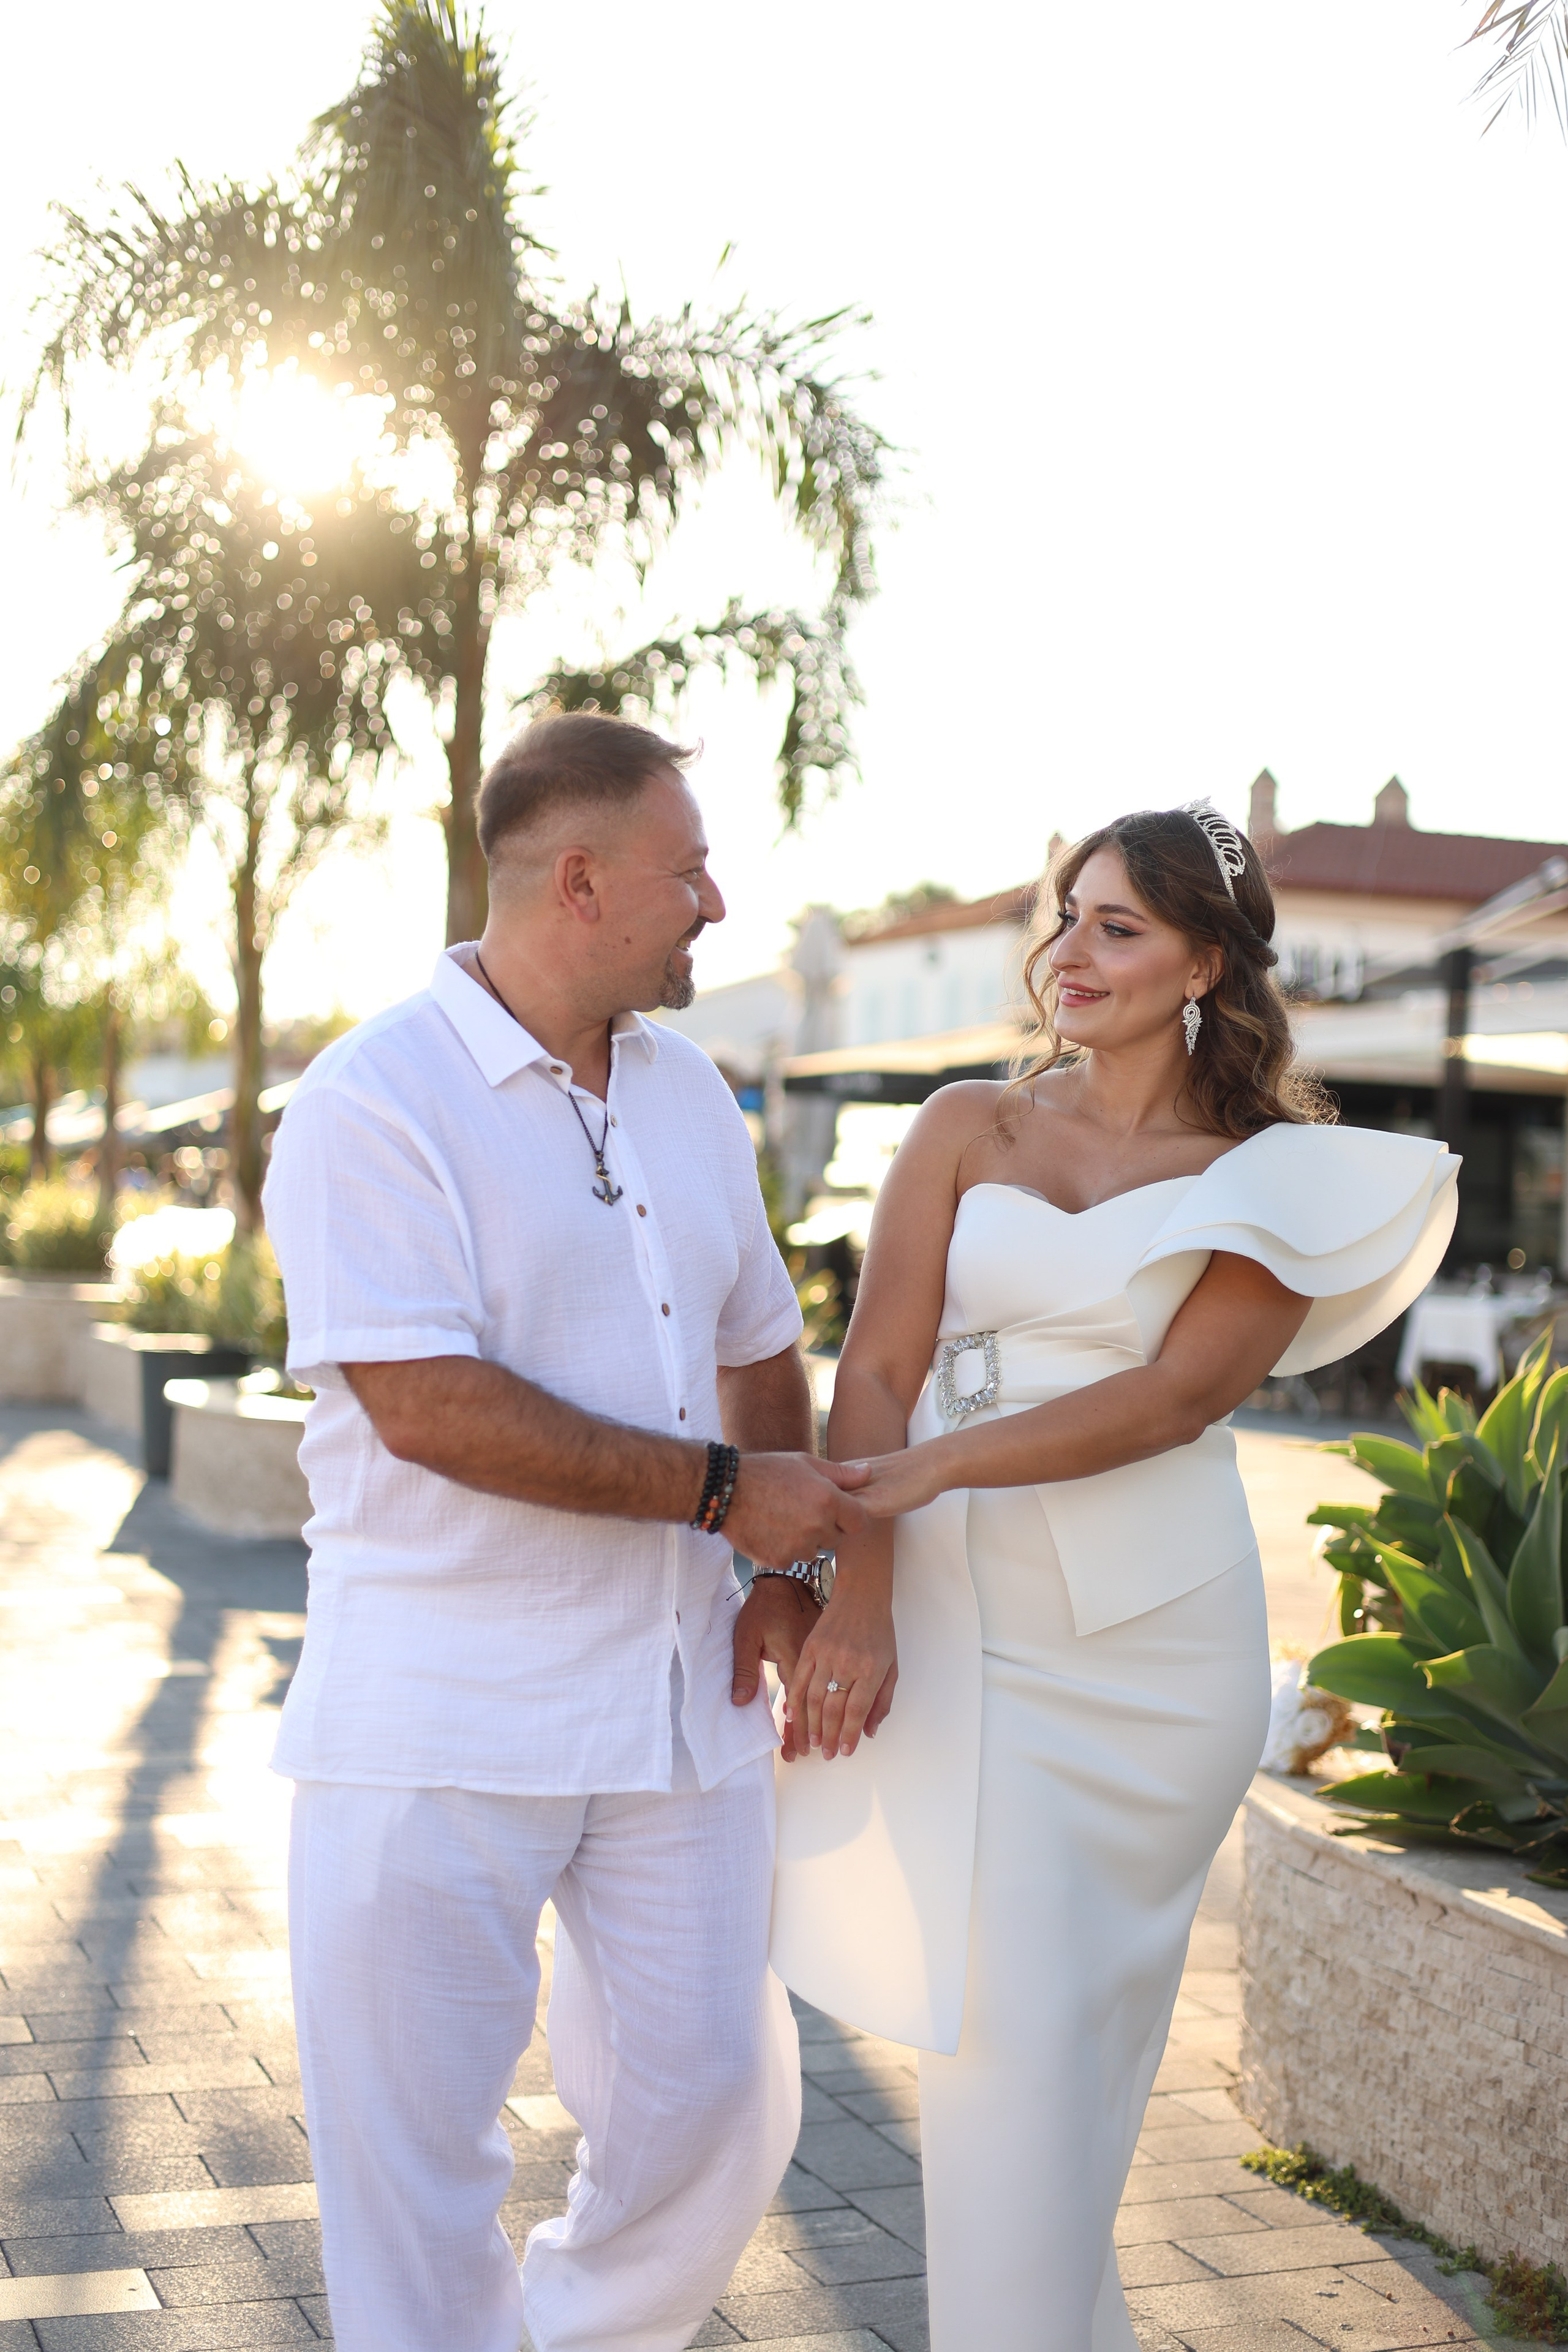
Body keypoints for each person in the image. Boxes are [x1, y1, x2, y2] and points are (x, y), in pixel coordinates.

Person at [763, 804, 1459, 2352]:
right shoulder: (964, 1126)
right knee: (1004, 2055)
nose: (1066, 953)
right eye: (1064, 915)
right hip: (959, 1623)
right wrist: (856, 1590)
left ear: (1204, 964)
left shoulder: (1277, 1175)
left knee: (1074, 2071)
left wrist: (941, 1464)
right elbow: (872, 1371)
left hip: (1155, 1661)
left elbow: (1173, 1399)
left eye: (1116, 927)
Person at [263, 711, 862, 2352]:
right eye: (690, 871)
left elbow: (758, 1342)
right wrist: (727, 1496)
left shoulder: (689, 1090)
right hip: (437, 1713)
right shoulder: (371, 1099)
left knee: (719, 2101)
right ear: (581, 882)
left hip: (679, 1700)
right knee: (412, 2165)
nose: (716, 905)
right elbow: (428, 1407)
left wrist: (783, 1570)